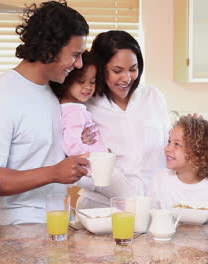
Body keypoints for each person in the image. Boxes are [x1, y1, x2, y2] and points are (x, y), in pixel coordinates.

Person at [0, 0, 90, 225]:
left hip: (56, 223)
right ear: (50, 48)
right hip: (20, 228)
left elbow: (40, 152)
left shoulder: (51, 91)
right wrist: (54, 172)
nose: (80, 64)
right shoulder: (0, 96)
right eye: (75, 55)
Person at [76, 30, 170, 209]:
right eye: (117, 71)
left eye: (133, 69)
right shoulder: (85, 105)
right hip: (101, 210)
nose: (127, 78)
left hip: (151, 208)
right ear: (101, 68)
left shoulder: (153, 97)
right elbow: (75, 168)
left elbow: (168, 151)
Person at [147, 115, 208, 214]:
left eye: (177, 144)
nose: (167, 149)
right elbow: (149, 217)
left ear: (199, 152)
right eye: (169, 142)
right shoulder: (159, 180)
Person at [50, 51, 107, 156]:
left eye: (92, 82)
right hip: (92, 167)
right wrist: (100, 155)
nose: (88, 87)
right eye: (81, 81)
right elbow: (72, 147)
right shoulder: (75, 111)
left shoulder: (65, 108)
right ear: (67, 79)